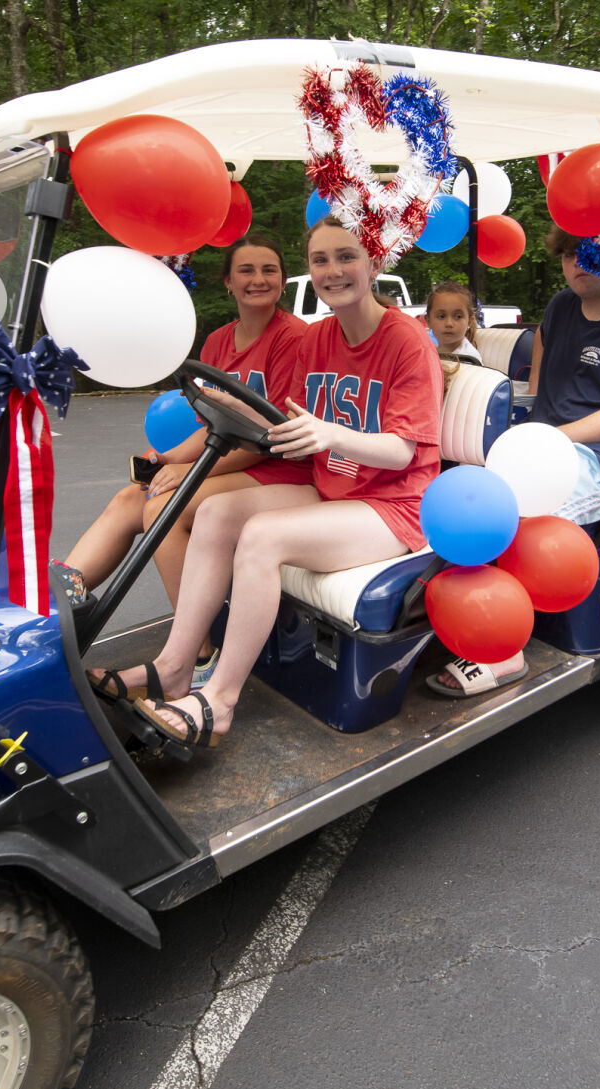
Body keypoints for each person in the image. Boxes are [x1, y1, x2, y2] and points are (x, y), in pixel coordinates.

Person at [99, 216, 443, 745]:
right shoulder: (319, 337)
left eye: (347, 256)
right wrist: (219, 419)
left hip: (392, 504)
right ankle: (174, 666)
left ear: (374, 261)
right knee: (214, 512)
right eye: (321, 259)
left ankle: (221, 701)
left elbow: (401, 452)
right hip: (331, 489)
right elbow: (276, 419)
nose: (333, 271)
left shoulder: (407, 340)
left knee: (263, 536)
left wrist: (330, 435)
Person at [432, 223, 600, 696]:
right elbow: (543, 366)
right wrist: (528, 421)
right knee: (458, 489)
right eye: (568, 254)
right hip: (542, 443)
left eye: (590, 252)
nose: (577, 264)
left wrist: (549, 438)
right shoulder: (562, 306)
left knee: (509, 513)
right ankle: (454, 612)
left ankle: (504, 649)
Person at [69, 232, 308, 691]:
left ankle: (196, 656)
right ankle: (59, 602)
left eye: (269, 270)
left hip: (278, 469)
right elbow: (214, 425)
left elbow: (273, 435)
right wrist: (168, 458)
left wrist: (187, 474)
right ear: (228, 283)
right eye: (246, 270)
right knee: (129, 497)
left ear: (282, 281)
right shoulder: (218, 343)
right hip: (230, 462)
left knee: (164, 505)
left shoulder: (293, 340)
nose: (259, 279)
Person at [426, 280, 482, 366]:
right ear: (428, 321)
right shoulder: (428, 352)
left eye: (458, 317)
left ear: (469, 322)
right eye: (441, 316)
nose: (449, 323)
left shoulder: (469, 359)